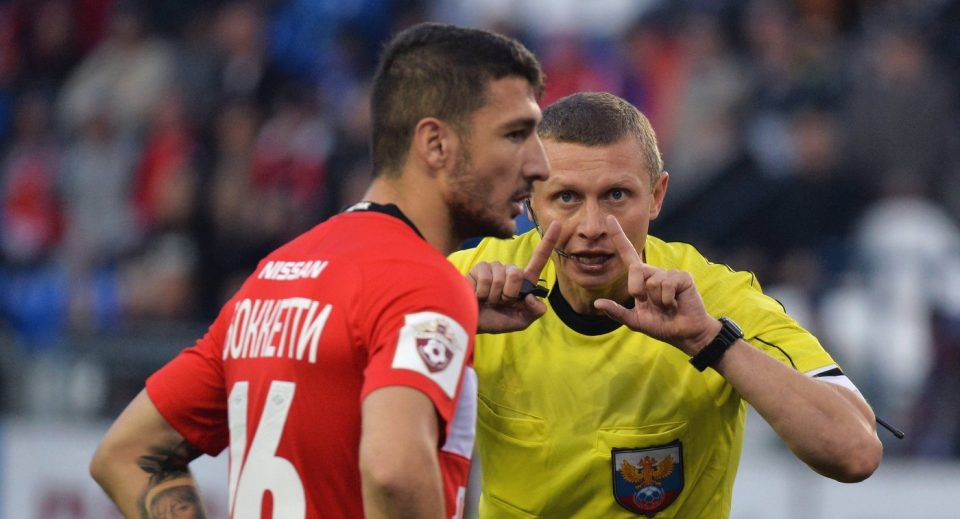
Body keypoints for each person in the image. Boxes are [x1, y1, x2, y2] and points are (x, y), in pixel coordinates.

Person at [89, 22, 549, 519]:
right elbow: (394, 473)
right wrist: (438, 303)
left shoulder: (272, 278)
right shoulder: (423, 283)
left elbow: (127, 455)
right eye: (515, 134)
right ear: (435, 144)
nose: (539, 164)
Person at [448, 92, 883, 517]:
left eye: (616, 195)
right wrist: (450, 323)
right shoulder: (472, 285)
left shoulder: (715, 299)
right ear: (529, 200)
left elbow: (856, 452)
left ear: (656, 196)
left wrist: (712, 341)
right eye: (567, 198)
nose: (592, 226)